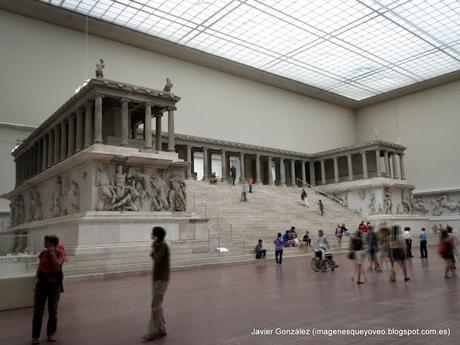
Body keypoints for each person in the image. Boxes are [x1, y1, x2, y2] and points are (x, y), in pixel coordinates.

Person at [32, 235, 65, 345]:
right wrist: (35, 282)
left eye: (45, 242)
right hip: (42, 285)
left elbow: (57, 267)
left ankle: (51, 334)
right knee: (38, 311)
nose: (44, 243)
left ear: (51, 243)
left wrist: (52, 254)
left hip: (54, 286)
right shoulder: (42, 253)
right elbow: (39, 268)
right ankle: (35, 336)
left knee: (53, 310)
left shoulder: (60, 253)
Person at [142, 226, 170, 342]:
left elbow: (157, 259)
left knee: (155, 306)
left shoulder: (163, 245)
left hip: (161, 279)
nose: (151, 234)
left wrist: (154, 249)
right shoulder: (159, 245)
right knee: (158, 305)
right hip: (157, 278)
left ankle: (152, 332)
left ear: (157, 235)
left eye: (152, 232)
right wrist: (154, 249)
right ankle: (162, 329)